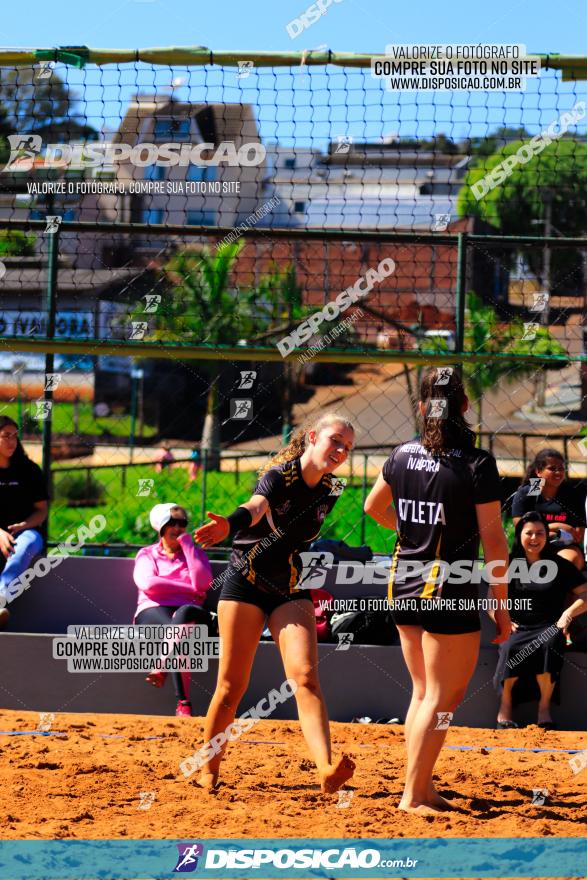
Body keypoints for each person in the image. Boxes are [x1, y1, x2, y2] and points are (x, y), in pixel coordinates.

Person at [364, 367, 512, 816]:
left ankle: (421, 786)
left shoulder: (402, 454)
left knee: (423, 693)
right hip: (449, 586)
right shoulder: (475, 462)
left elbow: (374, 508)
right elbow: (495, 540)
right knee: (443, 698)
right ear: (465, 406)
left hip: (402, 583)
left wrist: (413, 534)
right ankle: (413, 794)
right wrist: (500, 604)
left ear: (423, 406)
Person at [193, 411, 356, 793]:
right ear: (313, 437)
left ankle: (326, 769)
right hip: (245, 581)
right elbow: (256, 508)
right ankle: (208, 769)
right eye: (336, 440)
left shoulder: (333, 488)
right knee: (232, 686)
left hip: (288, 584)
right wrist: (228, 526)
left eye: (347, 447)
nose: (341, 450)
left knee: (305, 678)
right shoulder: (280, 475)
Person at [494, 511, 587, 729]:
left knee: (551, 642)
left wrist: (568, 613)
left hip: (549, 627)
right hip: (517, 627)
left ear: (547, 536)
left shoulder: (560, 565)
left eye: (540, 533)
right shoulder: (508, 564)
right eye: (529, 533)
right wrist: (502, 619)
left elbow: (585, 594)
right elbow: (492, 598)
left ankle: (544, 711)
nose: (534, 538)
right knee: (509, 646)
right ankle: (505, 709)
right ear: (519, 536)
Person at [133, 503, 213, 716]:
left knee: (184, 615)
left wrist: (188, 548)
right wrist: (189, 588)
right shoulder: (146, 554)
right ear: (160, 526)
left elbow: (204, 584)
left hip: (190, 612)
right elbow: (148, 584)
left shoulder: (195, 554)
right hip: (153, 610)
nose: (178, 528)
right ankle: (184, 705)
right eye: (172, 522)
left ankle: (161, 664)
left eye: (182, 523)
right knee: (180, 634)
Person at [0, 416, 49, 627]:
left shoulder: (29, 470)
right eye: (5, 436)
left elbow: (41, 511)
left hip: (26, 531)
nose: (12, 441)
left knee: (24, 546)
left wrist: (24, 525)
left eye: (14, 436)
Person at [512, 449, 585, 571]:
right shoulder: (529, 491)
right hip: (532, 545)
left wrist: (542, 531)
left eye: (561, 468)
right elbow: (521, 528)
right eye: (552, 468)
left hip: (563, 546)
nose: (558, 472)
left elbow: (577, 535)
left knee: (568, 561)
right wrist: (558, 526)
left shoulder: (572, 494)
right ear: (539, 472)